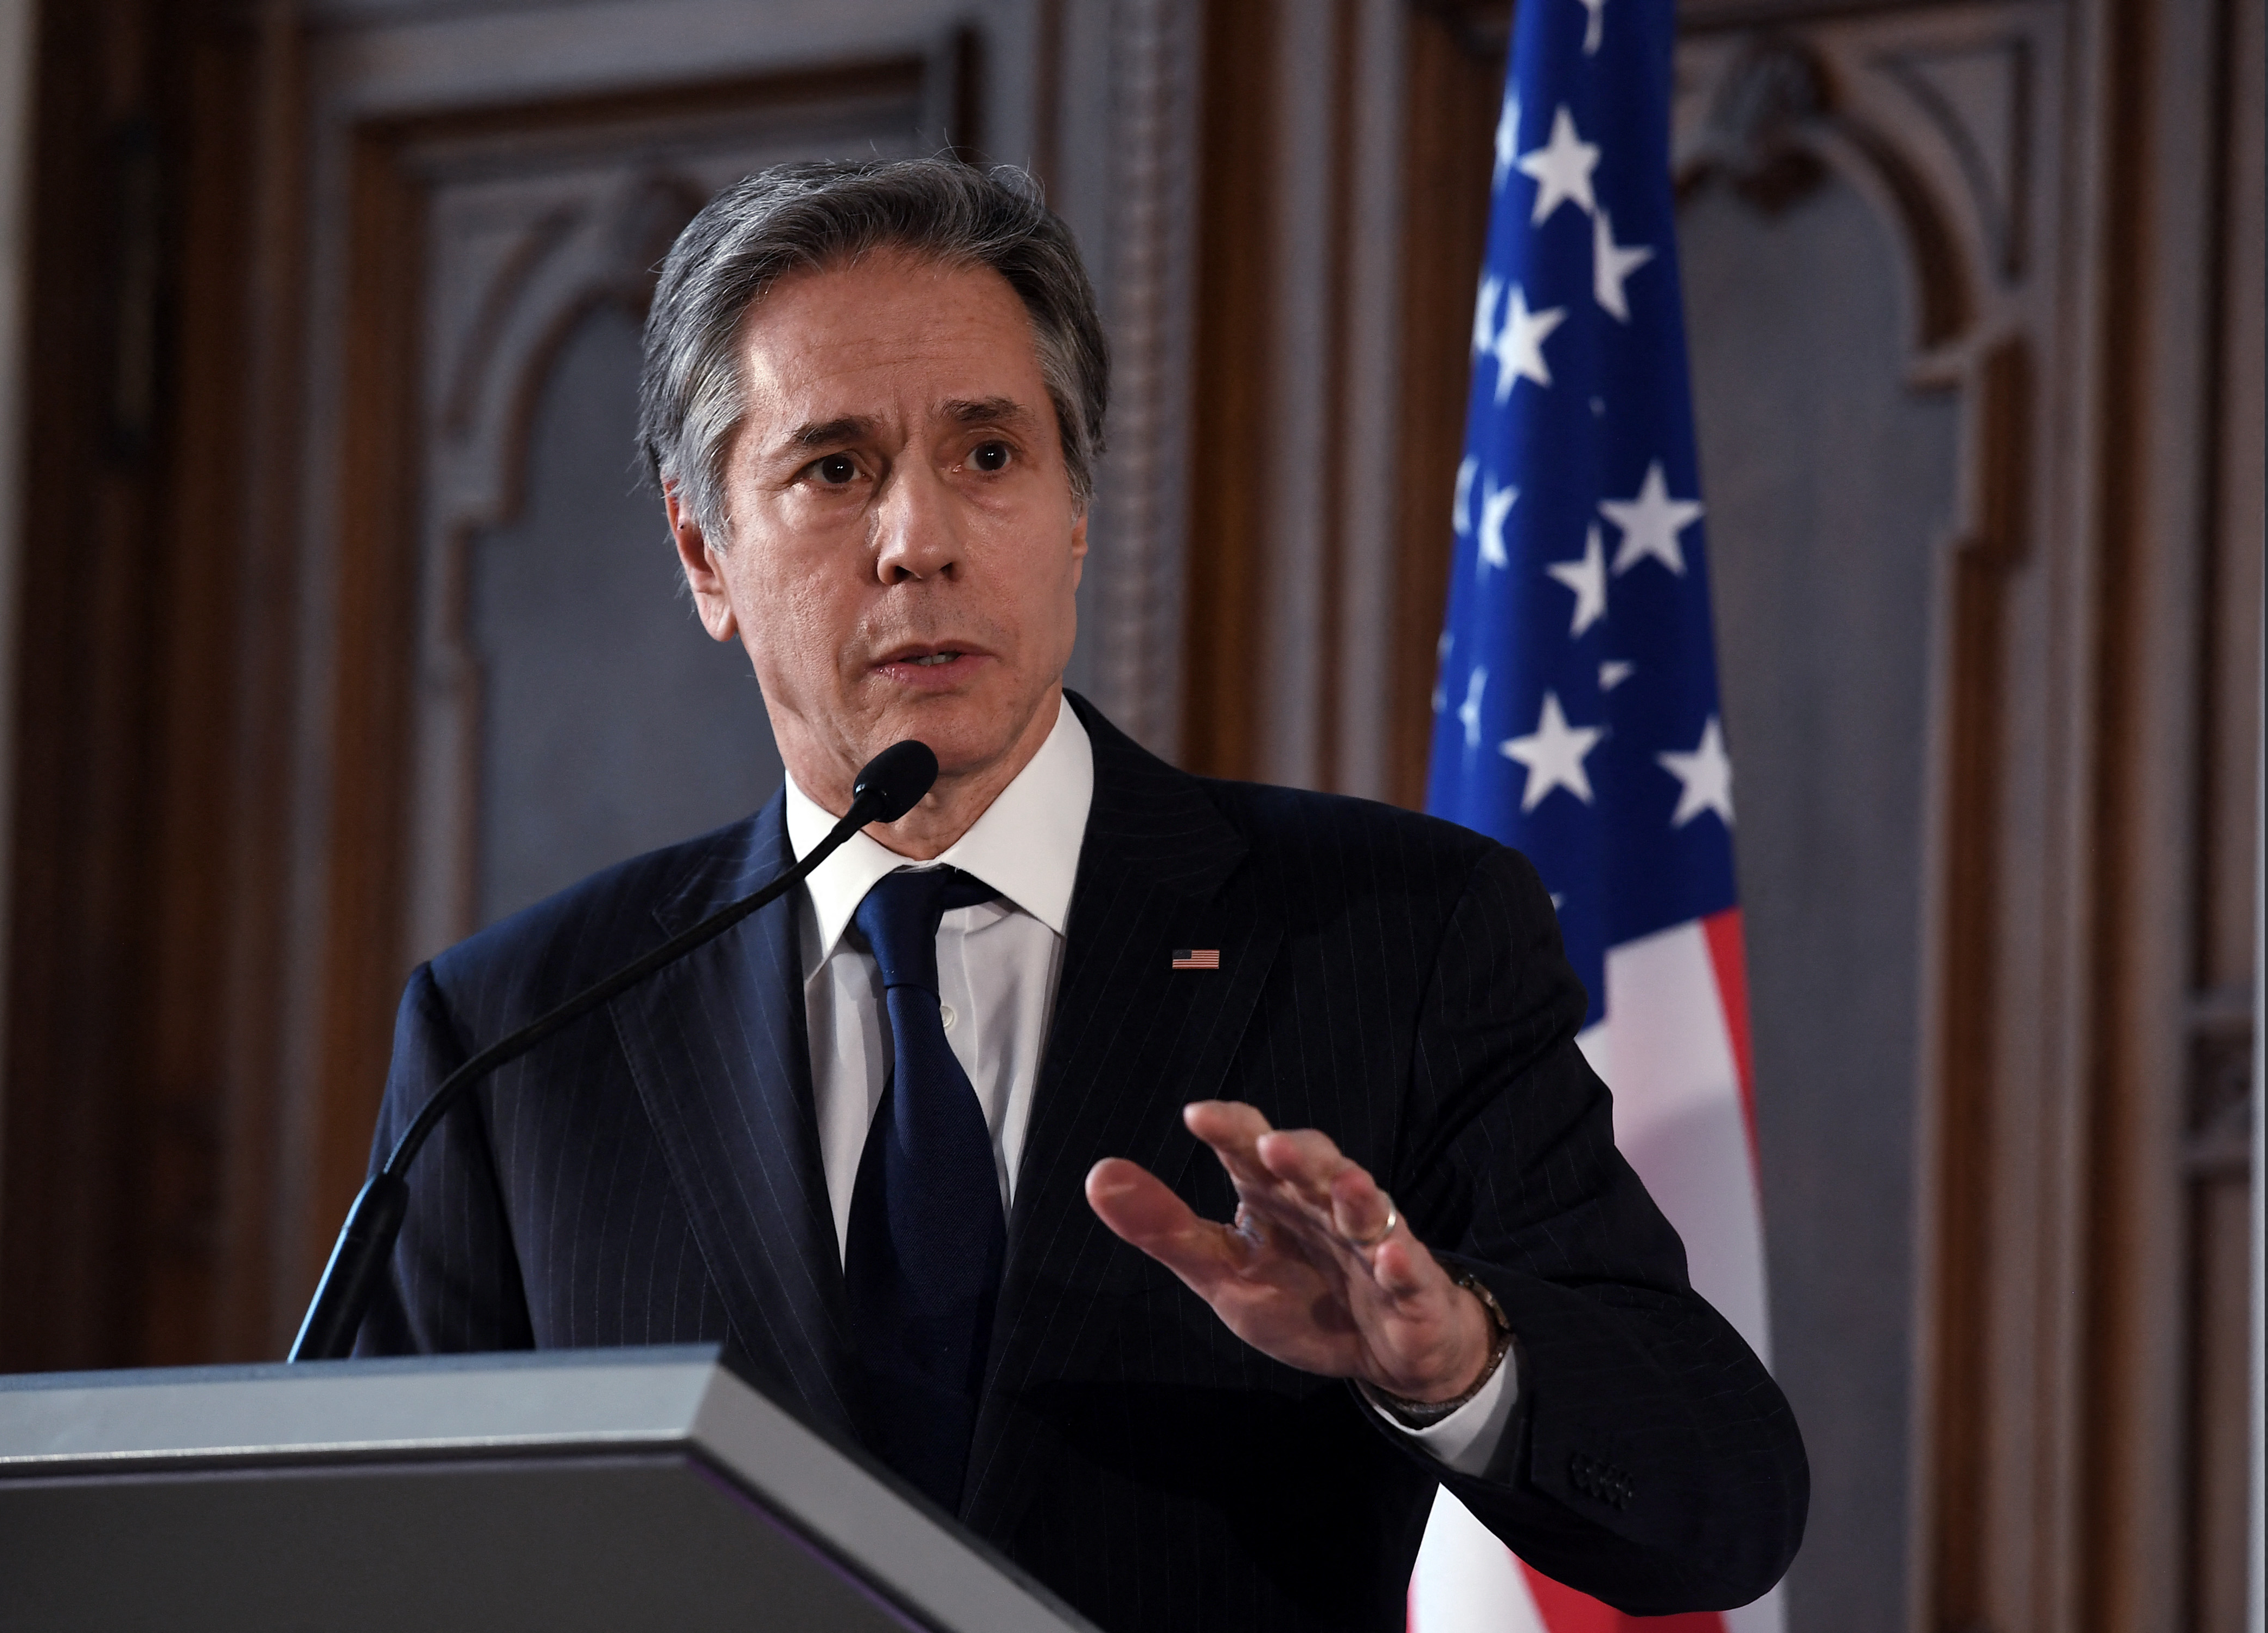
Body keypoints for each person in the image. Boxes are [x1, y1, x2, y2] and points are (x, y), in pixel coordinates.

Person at [357, 157, 1806, 1632]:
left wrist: (1457, 1365)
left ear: (1072, 511)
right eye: (834, 467)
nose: (918, 538)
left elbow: (1722, 1503)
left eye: (988, 456)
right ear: (701, 547)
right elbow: (376, 1550)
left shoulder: (1394, 933)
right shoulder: (520, 1034)